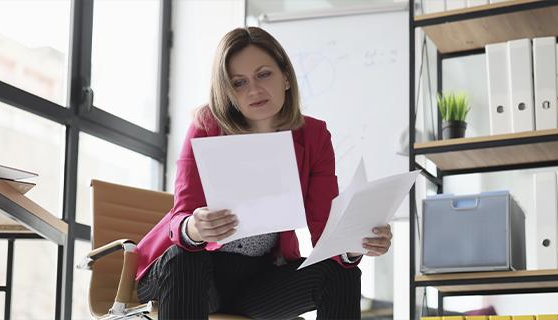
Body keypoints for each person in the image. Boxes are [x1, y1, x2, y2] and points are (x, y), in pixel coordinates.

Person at [134, 26, 393, 319]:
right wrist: (194, 228)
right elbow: (182, 213)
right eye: (239, 83)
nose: (254, 90)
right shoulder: (206, 126)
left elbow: (326, 230)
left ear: (285, 76)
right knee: (185, 260)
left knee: (340, 273)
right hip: (189, 268)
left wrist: (354, 244)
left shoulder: (314, 136)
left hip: (256, 279)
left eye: (264, 74)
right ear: (227, 92)